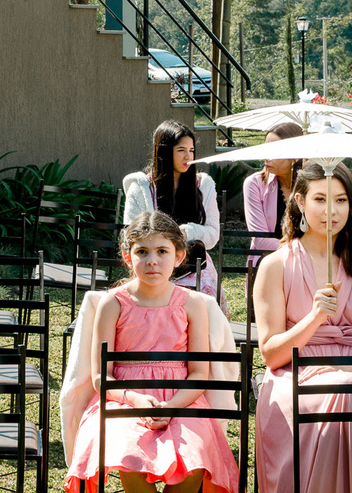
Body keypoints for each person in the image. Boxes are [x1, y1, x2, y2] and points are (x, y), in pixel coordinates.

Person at [64, 211, 239, 493]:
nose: (152, 260)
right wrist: (134, 400)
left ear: (179, 256)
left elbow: (198, 372)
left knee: (195, 455)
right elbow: (100, 376)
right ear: (127, 256)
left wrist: (170, 407)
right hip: (122, 399)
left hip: (182, 398)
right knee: (128, 453)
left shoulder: (193, 304)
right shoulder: (112, 304)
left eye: (162, 251)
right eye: (142, 252)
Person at [253, 162, 352, 493]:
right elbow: (271, 355)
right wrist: (314, 318)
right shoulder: (275, 265)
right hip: (294, 379)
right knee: (344, 392)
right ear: (300, 202)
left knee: (346, 390)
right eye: (320, 199)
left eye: (341, 200)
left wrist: (342, 370)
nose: (331, 211)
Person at [123, 120, 220, 300]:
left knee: (203, 307)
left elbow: (213, 235)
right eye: (181, 151)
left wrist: (188, 231)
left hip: (195, 267)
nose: (188, 157)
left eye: (192, 151)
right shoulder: (141, 187)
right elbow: (129, 235)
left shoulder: (203, 186)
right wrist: (167, 239)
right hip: (153, 265)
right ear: (165, 152)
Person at [243, 122, 304, 265]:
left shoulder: (311, 185)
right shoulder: (254, 184)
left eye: (274, 151)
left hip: (310, 265)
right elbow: (261, 240)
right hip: (269, 261)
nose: (266, 157)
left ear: (296, 157)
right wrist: (303, 252)